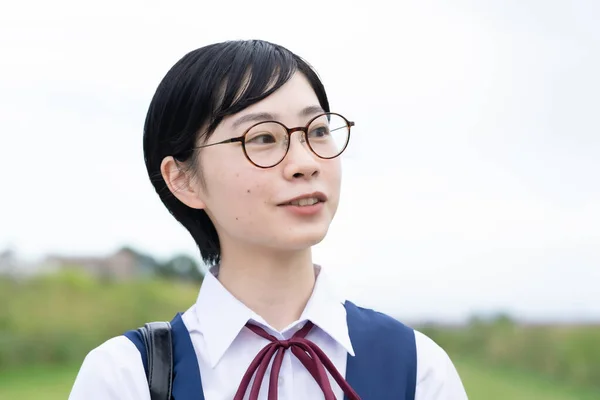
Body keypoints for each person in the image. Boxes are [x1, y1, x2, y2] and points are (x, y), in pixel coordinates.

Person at [69, 39, 468, 400]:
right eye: (262, 137)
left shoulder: (417, 370)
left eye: (317, 130)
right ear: (183, 180)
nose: (305, 163)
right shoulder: (126, 378)